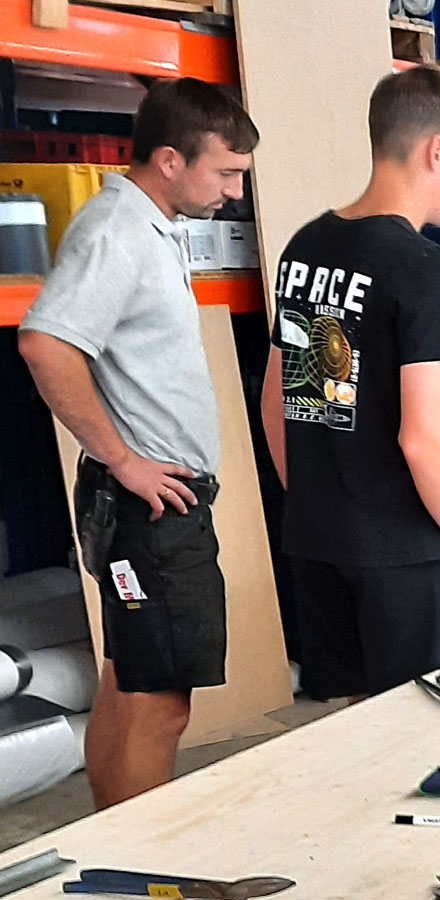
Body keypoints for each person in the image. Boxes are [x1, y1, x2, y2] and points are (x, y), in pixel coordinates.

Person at [18, 80, 258, 808]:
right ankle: (139, 863)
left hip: (149, 508)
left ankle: (104, 843)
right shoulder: (119, 229)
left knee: (130, 681)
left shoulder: (149, 225)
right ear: (168, 160)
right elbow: (45, 344)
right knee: (161, 699)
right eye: (225, 173)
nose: (235, 192)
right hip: (152, 512)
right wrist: (125, 461)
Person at [259, 66, 440, 701]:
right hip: (404, 553)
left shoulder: (307, 247)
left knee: (358, 732)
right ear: (435, 151)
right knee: (421, 733)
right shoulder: (427, 271)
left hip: (319, 539)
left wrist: (318, 499)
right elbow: (423, 438)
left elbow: (283, 399)